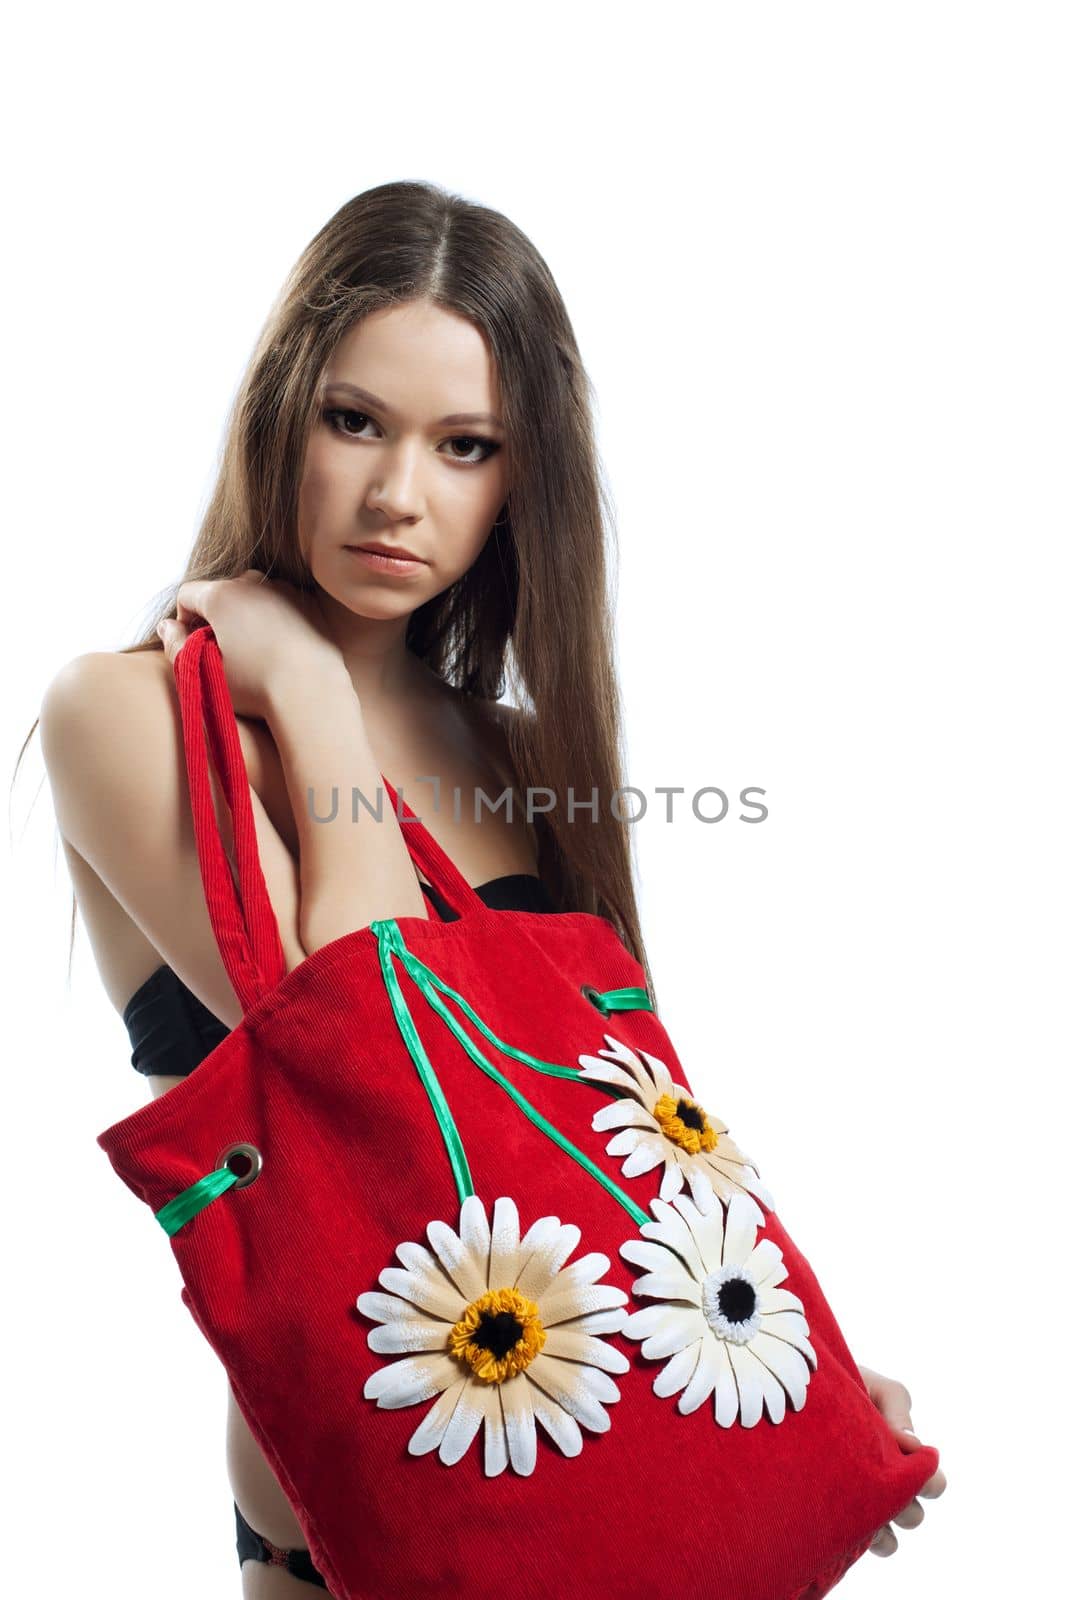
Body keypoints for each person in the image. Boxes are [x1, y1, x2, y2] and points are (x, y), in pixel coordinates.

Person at [32, 180, 944, 1596]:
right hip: (366, 1542)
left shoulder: (516, 750)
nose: (401, 495)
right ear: (278, 410)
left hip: (579, 1479)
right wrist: (308, 692)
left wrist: (778, 1358)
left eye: (466, 447)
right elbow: (391, 1067)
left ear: (524, 483)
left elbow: (609, 1131)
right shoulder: (133, 718)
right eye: (356, 422)